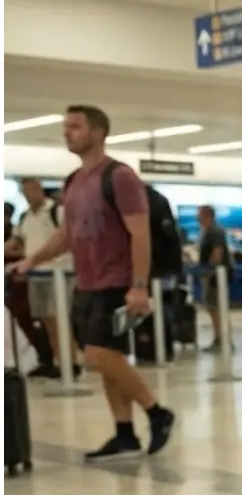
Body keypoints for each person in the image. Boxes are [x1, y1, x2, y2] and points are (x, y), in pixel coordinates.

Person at [14, 105, 175, 460]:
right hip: (85, 283)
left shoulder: (119, 177)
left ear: (98, 132)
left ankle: (157, 412)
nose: (67, 132)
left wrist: (138, 285)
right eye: (65, 127)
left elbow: (140, 234)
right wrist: (31, 260)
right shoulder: (73, 181)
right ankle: (124, 433)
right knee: (106, 359)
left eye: (75, 126)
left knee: (99, 354)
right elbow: (66, 235)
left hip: (116, 281)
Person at [15, 176, 71, 378]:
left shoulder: (57, 212)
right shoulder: (25, 217)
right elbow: (19, 241)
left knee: (59, 319)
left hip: (59, 274)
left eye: (32, 189)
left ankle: (69, 361)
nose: (29, 194)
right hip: (36, 274)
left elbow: (67, 240)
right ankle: (57, 360)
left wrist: (41, 257)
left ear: (39, 189)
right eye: (25, 191)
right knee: (45, 319)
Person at [195, 205, 229, 352]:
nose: (197, 218)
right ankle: (219, 337)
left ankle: (222, 338)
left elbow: (217, 253)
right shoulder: (208, 231)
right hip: (212, 274)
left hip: (215, 276)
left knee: (216, 308)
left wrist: (209, 270)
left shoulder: (214, 231)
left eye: (200, 215)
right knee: (213, 307)